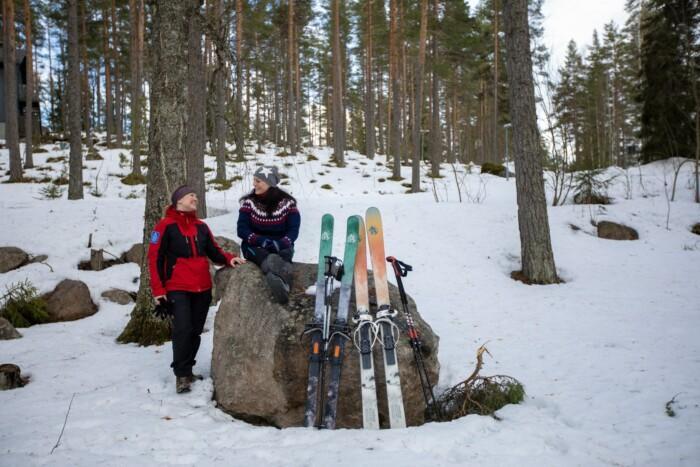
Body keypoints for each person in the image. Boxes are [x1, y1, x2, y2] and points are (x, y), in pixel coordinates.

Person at [148, 185, 246, 394]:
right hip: (177, 287)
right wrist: (158, 290)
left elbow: (214, 251)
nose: (195, 198)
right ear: (178, 201)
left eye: (195, 195)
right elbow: (154, 258)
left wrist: (230, 259)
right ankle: (181, 375)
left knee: (195, 330)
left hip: (202, 287)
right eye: (190, 195)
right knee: (182, 329)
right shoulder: (164, 226)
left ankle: (189, 369)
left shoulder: (201, 227)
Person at [237, 165, 300, 304]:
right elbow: (242, 229)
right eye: (254, 180)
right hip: (256, 245)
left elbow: (293, 230)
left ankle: (281, 279)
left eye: (258, 181)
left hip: (280, 244)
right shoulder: (249, 204)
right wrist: (261, 241)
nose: (254, 184)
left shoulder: (288, 204)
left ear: (269, 183)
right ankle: (278, 276)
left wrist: (281, 243)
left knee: (285, 252)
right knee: (260, 255)